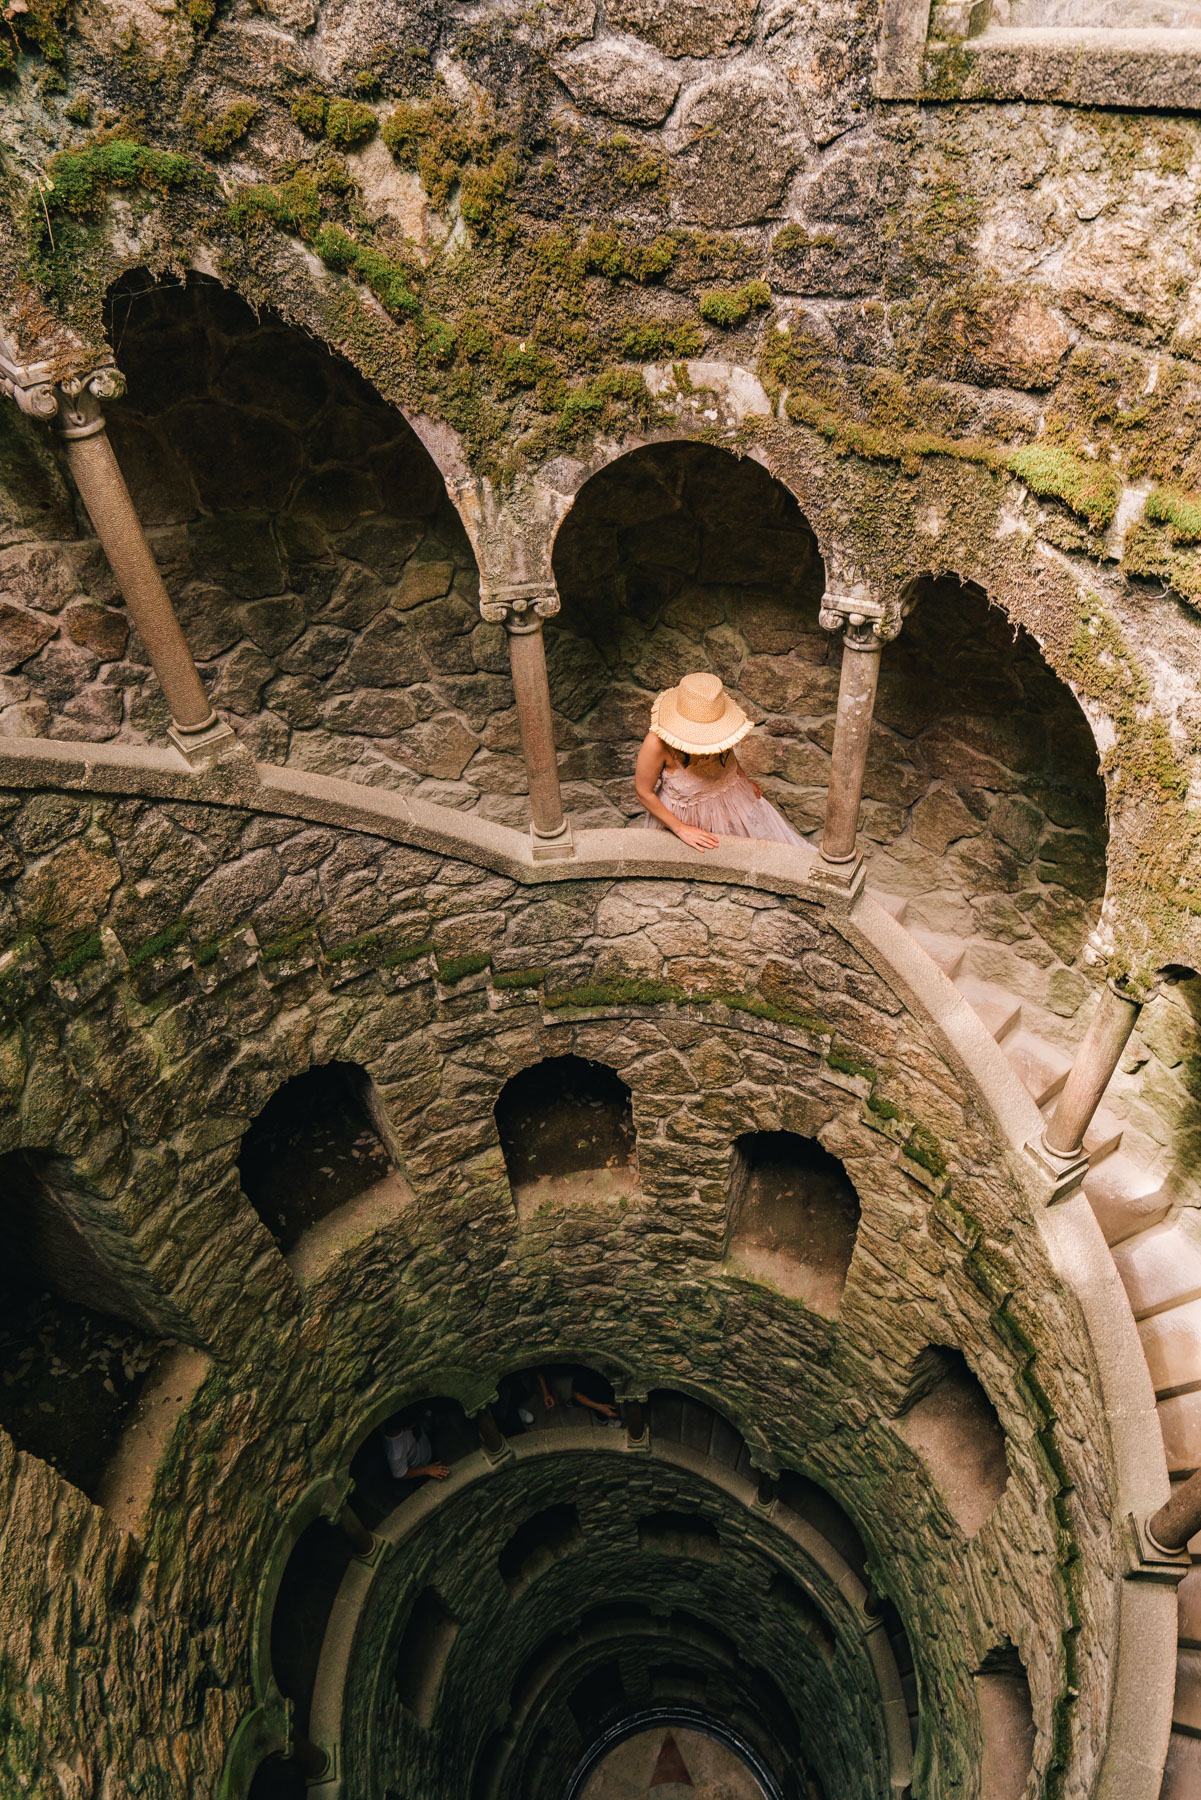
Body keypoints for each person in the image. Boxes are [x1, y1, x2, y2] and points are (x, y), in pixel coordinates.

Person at [634, 671, 807, 853]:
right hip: (684, 819)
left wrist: (744, 779)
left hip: (734, 800)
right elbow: (643, 792)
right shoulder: (656, 743)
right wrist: (680, 828)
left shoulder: (720, 732)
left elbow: (729, 755)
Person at [537, 1364, 621, 1424]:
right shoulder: (584, 1377)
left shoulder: (589, 1376)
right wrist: (600, 1407)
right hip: (587, 1380)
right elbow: (576, 1394)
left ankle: (601, 1415)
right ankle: (601, 1416)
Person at [381, 1411, 450, 1482]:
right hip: (420, 1470)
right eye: (412, 1425)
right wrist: (427, 1470)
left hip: (427, 1452)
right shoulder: (395, 1450)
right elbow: (400, 1474)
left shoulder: (406, 1420)